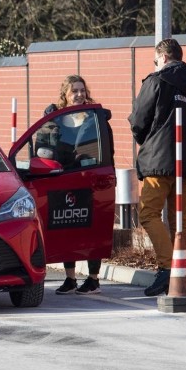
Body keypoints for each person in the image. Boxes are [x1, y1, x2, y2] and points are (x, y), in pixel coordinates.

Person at [128, 38, 186, 297]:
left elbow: (138, 121)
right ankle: (181, 268)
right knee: (180, 218)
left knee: (148, 214)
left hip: (158, 162)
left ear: (163, 58)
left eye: (155, 61)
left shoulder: (155, 82)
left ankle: (168, 267)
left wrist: (149, 142)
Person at [44, 75, 105, 295]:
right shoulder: (57, 119)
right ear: (65, 95)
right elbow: (46, 146)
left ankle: (93, 278)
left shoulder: (94, 117)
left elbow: (105, 149)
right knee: (67, 228)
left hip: (89, 178)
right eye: (74, 91)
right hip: (63, 179)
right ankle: (70, 279)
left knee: (91, 229)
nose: (79, 94)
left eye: (82, 90)